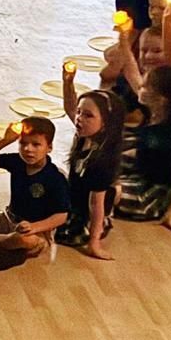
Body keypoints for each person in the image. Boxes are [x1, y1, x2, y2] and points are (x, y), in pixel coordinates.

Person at [115, 66, 171, 232]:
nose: (140, 87)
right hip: (142, 162)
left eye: (146, 86)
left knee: (107, 191)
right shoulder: (152, 109)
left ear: (162, 99)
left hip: (152, 187)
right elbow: (132, 77)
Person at [0, 117, 70, 266]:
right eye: (23, 143)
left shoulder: (55, 177)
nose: (28, 149)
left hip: (36, 230)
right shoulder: (18, 162)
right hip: (9, 219)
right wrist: (5, 140)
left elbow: (61, 216)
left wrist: (34, 227)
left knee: (27, 241)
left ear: (49, 147)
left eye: (36, 144)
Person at [55, 85, 122, 258]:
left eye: (88, 115)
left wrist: (94, 243)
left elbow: (95, 205)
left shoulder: (102, 162)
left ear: (106, 124)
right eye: (79, 112)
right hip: (73, 197)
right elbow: (69, 108)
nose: (79, 118)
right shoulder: (85, 135)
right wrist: (67, 81)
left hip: (82, 214)